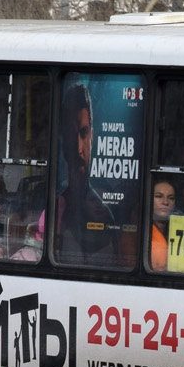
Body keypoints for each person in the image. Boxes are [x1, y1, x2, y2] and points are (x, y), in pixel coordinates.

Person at [56, 80, 115, 262]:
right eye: (72, 135)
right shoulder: (57, 203)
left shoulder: (105, 213)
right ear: (63, 141)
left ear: (93, 136)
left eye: (83, 133)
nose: (79, 148)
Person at [150, 179, 176, 270]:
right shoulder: (136, 233)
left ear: (174, 204)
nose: (165, 202)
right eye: (159, 196)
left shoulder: (177, 230)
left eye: (171, 198)